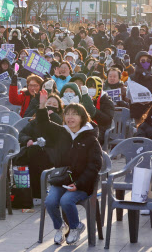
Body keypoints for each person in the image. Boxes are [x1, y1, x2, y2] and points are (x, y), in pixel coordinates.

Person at [36, 89, 103, 245]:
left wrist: (78, 184)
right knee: (50, 201)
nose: (70, 117)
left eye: (75, 114)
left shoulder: (91, 138)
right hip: (62, 179)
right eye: (67, 114)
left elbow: (95, 165)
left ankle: (75, 227)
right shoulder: (61, 133)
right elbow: (43, 124)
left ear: (82, 117)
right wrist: (42, 104)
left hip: (81, 183)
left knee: (66, 201)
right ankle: (62, 227)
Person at [128, 51, 152, 123]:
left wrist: (151, 97)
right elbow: (128, 92)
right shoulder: (132, 77)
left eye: (148, 61)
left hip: (151, 110)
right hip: (137, 110)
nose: (146, 63)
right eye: (143, 61)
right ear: (138, 61)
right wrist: (137, 97)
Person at [82, 76, 115, 146]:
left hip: (101, 129)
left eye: (93, 87)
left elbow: (107, 119)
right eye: (89, 87)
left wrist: (94, 111)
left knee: (90, 139)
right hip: (86, 126)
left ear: (99, 88)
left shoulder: (107, 100)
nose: (91, 89)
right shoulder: (86, 99)